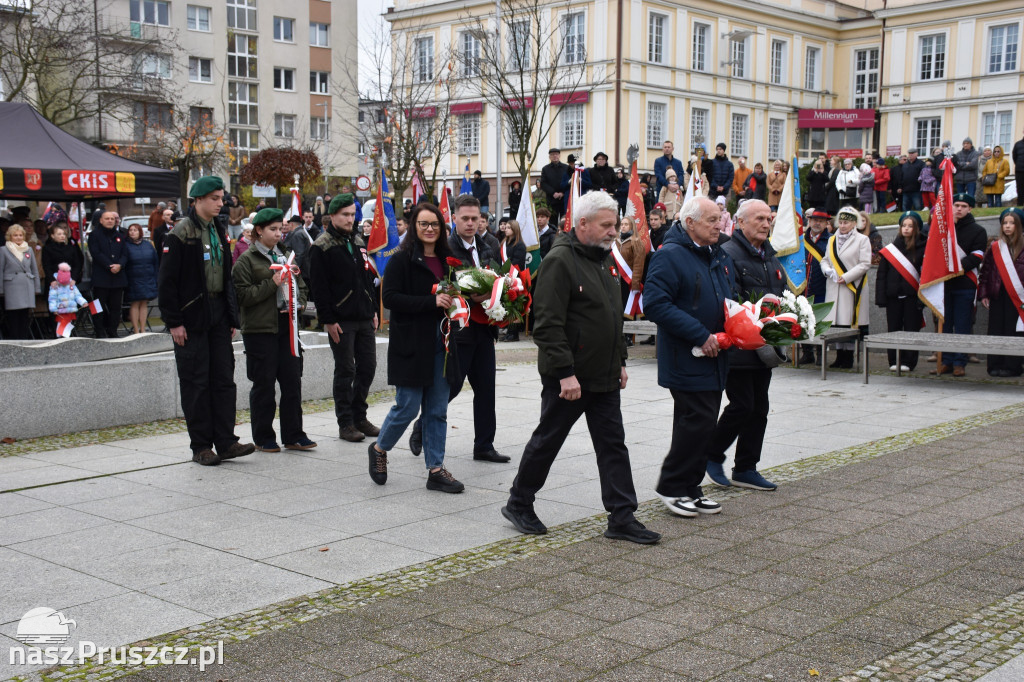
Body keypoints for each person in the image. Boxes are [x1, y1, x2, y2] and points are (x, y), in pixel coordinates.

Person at [503, 191, 659, 544]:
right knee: (548, 440)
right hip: (570, 377)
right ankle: (519, 502)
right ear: (583, 223)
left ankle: (622, 517)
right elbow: (547, 325)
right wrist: (564, 373)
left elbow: (611, 317)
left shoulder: (603, 259)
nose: (613, 232)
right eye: (606, 226)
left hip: (603, 373)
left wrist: (620, 360)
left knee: (613, 445)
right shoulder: (560, 260)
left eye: (615, 225)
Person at [644, 197, 733, 517]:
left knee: (703, 424)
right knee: (695, 422)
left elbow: (726, 298)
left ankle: (691, 487)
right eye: (711, 220)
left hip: (715, 354)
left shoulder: (716, 253)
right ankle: (671, 486)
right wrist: (699, 334)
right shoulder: (669, 255)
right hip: (686, 355)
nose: (719, 225)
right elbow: (655, 304)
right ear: (690, 222)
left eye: (719, 219)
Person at [158, 175, 255, 466]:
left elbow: (226, 277)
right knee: (196, 382)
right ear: (197, 200)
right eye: (214, 198)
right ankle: (201, 446)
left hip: (218, 313)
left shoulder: (219, 229)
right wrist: (174, 322)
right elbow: (167, 282)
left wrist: (231, 316)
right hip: (191, 316)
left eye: (221, 198)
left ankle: (226, 442)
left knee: (223, 380)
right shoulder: (181, 232)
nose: (220, 203)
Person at [371, 203, 465, 493]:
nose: (429, 229)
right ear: (414, 227)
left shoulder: (448, 260)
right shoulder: (401, 259)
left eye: (434, 224)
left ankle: (435, 469)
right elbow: (390, 298)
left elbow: (454, 295)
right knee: (408, 406)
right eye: (423, 224)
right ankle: (379, 448)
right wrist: (430, 301)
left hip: (442, 343)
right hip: (411, 343)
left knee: (437, 410)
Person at [410, 195, 508, 463]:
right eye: (465, 218)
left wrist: (498, 296)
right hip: (458, 329)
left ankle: (484, 445)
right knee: (451, 387)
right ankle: (421, 426)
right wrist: (468, 295)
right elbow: (441, 284)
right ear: (454, 218)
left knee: (486, 388)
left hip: (484, 328)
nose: (471, 223)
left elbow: (497, 277)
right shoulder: (446, 248)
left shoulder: (489, 244)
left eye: (475, 218)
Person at [704, 200, 783, 492]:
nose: (766, 223)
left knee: (759, 407)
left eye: (768, 219)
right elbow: (730, 300)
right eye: (759, 218)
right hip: (738, 345)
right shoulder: (728, 253)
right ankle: (711, 453)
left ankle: (746, 468)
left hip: (764, 346)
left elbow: (780, 293)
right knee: (742, 404)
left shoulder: (769, 255)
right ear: (741, 222)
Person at [233, 208, 317, 452]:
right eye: (273, 229)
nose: (279, 233)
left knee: (292, 382)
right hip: (260, 330)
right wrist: (272, 284)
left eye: (281, 228)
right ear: (259, 231)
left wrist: (300, 302)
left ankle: (294, 434)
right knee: (264, 385)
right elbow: (243, 296)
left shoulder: (286, 255)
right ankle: (263, 436)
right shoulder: (246, 260)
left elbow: (301, 285)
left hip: (287, 326)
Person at [309, 193, 380, 442]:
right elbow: (319, 288)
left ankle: (360, 416)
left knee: (368, 368)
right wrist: (328, 320)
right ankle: (346, 423)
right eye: (345, 215)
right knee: (345, 370)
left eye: (352, 215)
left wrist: (373, 309)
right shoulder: (321, 246)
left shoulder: (358, 241)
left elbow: (366, 278)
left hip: (363, 315)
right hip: (340, 318)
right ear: (332, 216)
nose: (350, 219)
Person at [932, 194, 988, 377]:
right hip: (944, 285)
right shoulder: (944, 230)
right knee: (946, 324)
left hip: (965, 283)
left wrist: (954, 268)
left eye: (964, 206)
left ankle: (959, 362)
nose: (959, 209)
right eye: (956, 205)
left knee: (963, 325)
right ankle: (946, 361)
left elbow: (977, 256)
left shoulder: (978, 231)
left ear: (970, 209)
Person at [820, 205, 872, 369]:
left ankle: (848, 356)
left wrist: (847, 276)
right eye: (840, 222)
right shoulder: (831, 239)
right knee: (836, 322)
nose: (842, 226)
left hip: (852, 286)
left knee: (848, 321)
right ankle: (839, 355)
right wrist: (827, 270)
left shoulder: (862, 240)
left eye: (846, 223)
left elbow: (865, 263)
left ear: (854, 223)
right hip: (834, 285)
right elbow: (825, 259)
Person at [876, 212, 926, 371]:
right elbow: (882, 275)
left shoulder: (923, 248)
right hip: (893, 297)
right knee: (893, 328)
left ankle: (909, 361)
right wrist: (881, 297)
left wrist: (923, 299)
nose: (906, 229)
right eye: (904, 225)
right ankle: (894, 360)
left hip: (913, 296)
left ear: (916, 228)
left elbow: (925, 274)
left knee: (911, 329)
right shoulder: (891, 249)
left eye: (910, 226)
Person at [978, 208, 1024, 377]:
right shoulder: (996, 247)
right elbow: (986, 272)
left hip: (1017, 295)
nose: (1007, 226)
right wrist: (984, 293)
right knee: (996, 328)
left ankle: (1012, 366)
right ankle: (994, 364)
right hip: (997, 293)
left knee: (1013, 330)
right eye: (1005, 223)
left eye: (1012, 223)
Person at [87, 211, 128, 338]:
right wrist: (109, 265)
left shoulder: (120, 236)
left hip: (117, 277)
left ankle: (112, 330)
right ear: (101, 220)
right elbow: (96, 253)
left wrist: (120, 265)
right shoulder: (94, 235)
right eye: (107, 218)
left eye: (112, 219)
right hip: (101, 277)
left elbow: (125, 254)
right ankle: (99, 330)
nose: (110, 221)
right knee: (97, 306)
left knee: (116, 307)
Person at [799, 209, 832, 364]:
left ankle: (820, 354)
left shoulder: (830, 240)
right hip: (803, 287)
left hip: (821, 287)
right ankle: (807, 353)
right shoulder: (801, 240)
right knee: (803, 320)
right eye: (814, 220)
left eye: (821, 221)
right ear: (809, 221)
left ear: (826, 224)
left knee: (819, 321)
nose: (817, 223)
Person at [0, 224, 42, 339]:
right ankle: (15, 340)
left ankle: (24, 340)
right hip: (11, 287)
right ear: (10, 237)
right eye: (15, 235)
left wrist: (37, 287)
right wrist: (1, 289)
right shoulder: (3, 250)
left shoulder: (28, 249)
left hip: (26, 286)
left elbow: (34, 269)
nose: (18, 237)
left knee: (25, 316)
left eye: (20, 235)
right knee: (13, 317)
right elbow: (0, 270)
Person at [124, 223, 158, 335]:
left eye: (135, 230)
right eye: (130, 230)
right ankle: (136, 330)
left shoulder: (148, 245)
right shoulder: (125, 245)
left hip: (148, 277)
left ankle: (143, 329)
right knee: (135, 303)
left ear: (140, 232)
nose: (132, 232)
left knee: (144, 302)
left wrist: (155, 276)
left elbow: (155, 261)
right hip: (133, 278)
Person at [47, 262, 87, 334]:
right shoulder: (55, 287)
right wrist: (53, 309)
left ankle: (64, 336)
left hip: (70, 310)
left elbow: (77, 296)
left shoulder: (72, 285)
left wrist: (83, 302)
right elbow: (52, 299)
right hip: (60, 311)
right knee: (61, 328)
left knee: (67, 327)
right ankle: (62, 337)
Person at [540, 148, 569, 224]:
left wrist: (562, 193)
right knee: (552, 222)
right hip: (552, 200)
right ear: (549, 157)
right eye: (552, 155)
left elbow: (569, 182)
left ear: (559, 155)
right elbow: (543, 183)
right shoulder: (545, 169)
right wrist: (553, 193)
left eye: (556, 154)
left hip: (564, 199)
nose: (555, 156)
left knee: (565, 221)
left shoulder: (566, 168)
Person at [1013, 127, 1024, 207]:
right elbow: (1014, 157)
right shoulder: (1018, 144)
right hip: (1019, 170)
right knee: (1020, 188)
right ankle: (1020, 204)